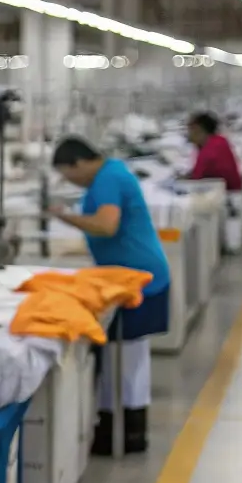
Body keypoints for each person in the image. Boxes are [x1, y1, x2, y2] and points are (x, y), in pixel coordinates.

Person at [48, 137, 170, 455]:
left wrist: (64, 217)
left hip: (135, 280)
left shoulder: (107, 179)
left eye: (68, 174)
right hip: (134, 276)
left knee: (123, 360)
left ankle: (120, 434)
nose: (69, 181)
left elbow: (105, 226)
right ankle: (129, 432)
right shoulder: (112, 173)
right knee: (131, 360)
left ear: (79, 163)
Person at [186, 112, 242, 192]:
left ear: (198, 130)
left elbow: (196, 180)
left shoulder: (210, 150)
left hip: (224, 196)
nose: (188, 135)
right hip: (228, 191)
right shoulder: (218, 141)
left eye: (190, 130)